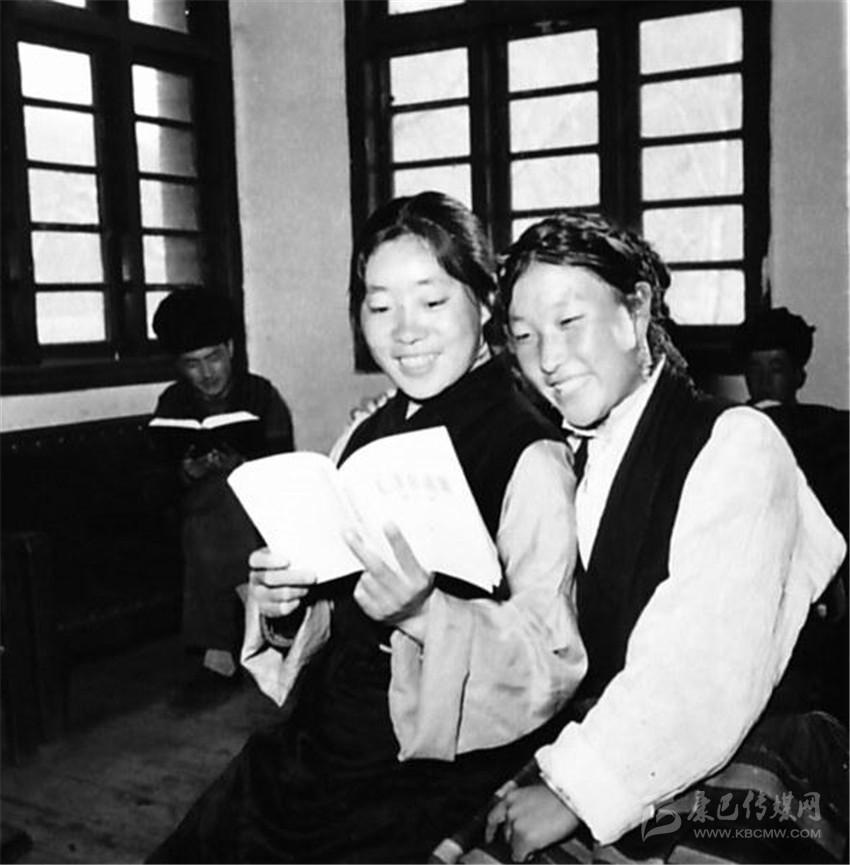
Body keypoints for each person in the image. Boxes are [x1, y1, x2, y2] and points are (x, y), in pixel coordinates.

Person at [147, 192, 586, 863]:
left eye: (431, 301)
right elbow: (329, 611)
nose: (405, 330)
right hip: (324, 726)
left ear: (484, 302)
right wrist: (286, 608)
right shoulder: (363, 434)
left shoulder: (530, 452)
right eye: (380, 307)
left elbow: (551, 663)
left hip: (437, 752)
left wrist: (426, 613)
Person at [480, 212, 847, 863]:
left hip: (745, 752)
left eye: (569, 322)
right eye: (525, 336)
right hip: (621, 734)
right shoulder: (561, 453)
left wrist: (574, 793)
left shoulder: (736, 443)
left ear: (636, 309)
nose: (549, 360)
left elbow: (704, 664)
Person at [151, 289, 294, 709]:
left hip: (257, 510)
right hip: (194, 513)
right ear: (179, 366)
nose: (206, 373)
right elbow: (155, 482)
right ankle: (258, 609)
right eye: (192, 364)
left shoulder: (261, 394)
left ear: (230, 348)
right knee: (208, 504)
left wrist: (242, 464)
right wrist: (187, 471)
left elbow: (283, 470)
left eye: (213, 357)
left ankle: (220, 658)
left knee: (215, 506)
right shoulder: (172, 401)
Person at [735, 306, 849, 722]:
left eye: (777, 368)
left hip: (819, 591)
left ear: (799, 375)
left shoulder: (831, 430)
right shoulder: (725, 427)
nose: (764, 380)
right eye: (755, 369)